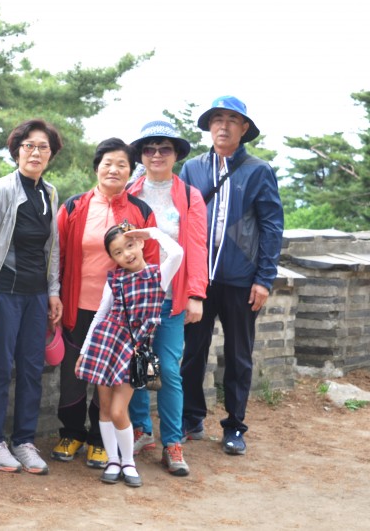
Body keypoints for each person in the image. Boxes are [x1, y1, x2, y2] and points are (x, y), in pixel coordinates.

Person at [179, 96, 284, 456]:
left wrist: (264, 279)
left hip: (242, 280)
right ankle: (191, 418)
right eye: (217, 119)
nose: (223, 126)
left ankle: (235, 426)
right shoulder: (192, 169)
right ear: (209, 127)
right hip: (199, 280)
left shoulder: (258, 170)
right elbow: (180, 221)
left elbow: (272, 226)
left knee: (238, 355)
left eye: (232, 120)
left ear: (244, 129)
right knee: (193, 351)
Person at [52, 138, 159, 468]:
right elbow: (56, 256)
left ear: (131, 171)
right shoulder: (74, 207)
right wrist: (53, 293)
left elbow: (151, 261)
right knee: (74, 373)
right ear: (96, 167)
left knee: (109, 377)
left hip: (122, 316)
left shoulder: (140, 212)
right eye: (108, 163)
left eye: (122, 164)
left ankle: (101, 439)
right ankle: (71, 433)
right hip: (78, 305)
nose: (114, 169)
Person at [0, 119, 63, 475]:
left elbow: (51, 248)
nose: (35, 152)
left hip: (36, 296)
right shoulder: (1, 190)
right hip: (3, 294)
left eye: (42, 147)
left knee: (31, 369)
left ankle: (24, 440)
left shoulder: (49, 193)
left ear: (50, 154)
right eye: (29, 146)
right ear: (17, 151)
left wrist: (53, 291)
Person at [126, 121, 208, 476]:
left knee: (169, 370)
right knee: (135, 367)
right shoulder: (130, 191)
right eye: (149, 149)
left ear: (176, 154)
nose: (156, 155)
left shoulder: (190, 196)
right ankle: (142, 428)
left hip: (171, 298)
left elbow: (196, 248)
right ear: (140, 155)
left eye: (164, 149)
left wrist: (195, 294)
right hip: (134, 297)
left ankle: (172, 441)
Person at [76, 224, 182, 488]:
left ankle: (128, 462)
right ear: (113, 258)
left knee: (118, 409)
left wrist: (152, 233)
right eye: (118, 252)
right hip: (106, 345)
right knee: (103, 408)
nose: (126, 254)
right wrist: (84, 350)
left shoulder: (159, 275)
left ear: (140, 244)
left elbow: (177, 253)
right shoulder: (115, 280)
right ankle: (113, 461)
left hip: (134, 351)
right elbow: (100, 315)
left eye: (130, 245)